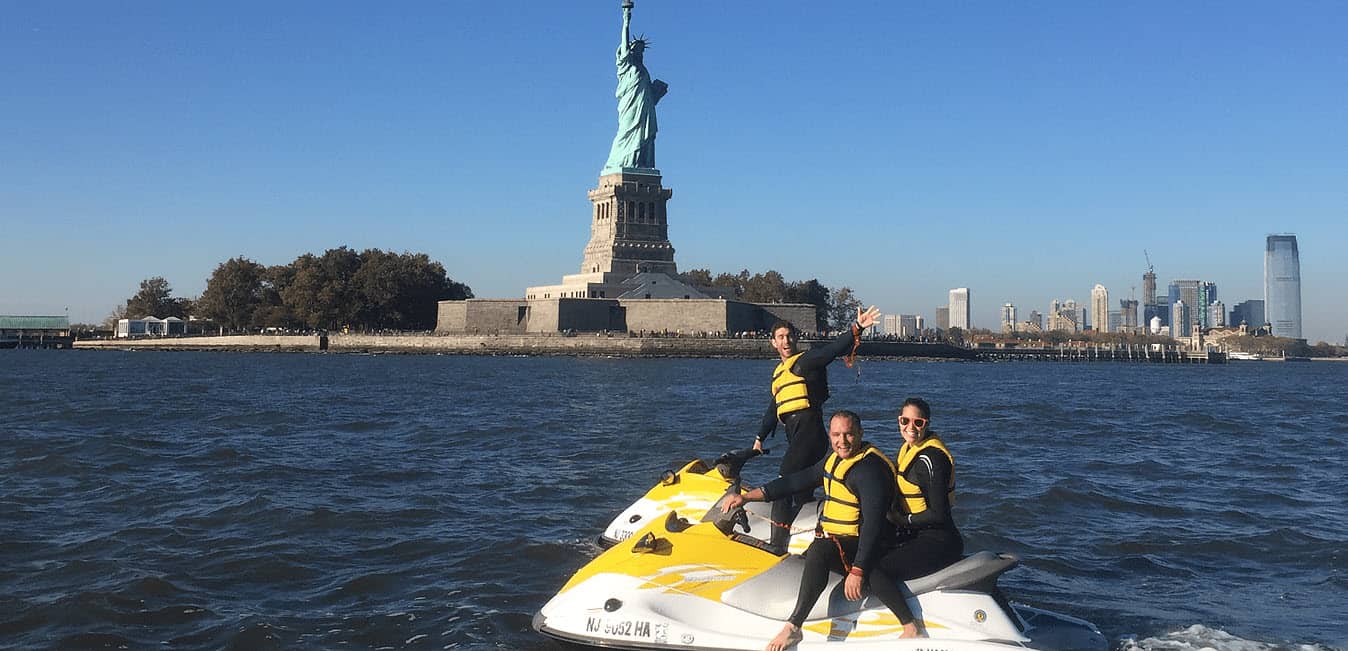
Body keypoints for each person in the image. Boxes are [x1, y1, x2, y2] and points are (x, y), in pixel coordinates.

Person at [724, 411, 919, 650]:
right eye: (836, 434)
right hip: (846, 539)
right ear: (829, 435)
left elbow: (874, 525)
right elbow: (795, 481)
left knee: (819, 551)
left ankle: (794, 627)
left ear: (860, 434)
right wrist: (745, 497)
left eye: (848, 434)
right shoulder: (834, 459)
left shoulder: (869, 471)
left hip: (873, 544)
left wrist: (858, 570)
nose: (842, 441)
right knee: (804, 558)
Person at [752, 306, 881, 550]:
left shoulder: (805, 361)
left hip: (809, 430)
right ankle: (810, 537)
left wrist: (857, 327)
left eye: (789, 335)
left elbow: (832, 350)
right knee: (804, 488)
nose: (786, 340)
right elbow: (773, 408)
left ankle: (776, 546)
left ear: (795, 339)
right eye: (780, 336)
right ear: (773, 343)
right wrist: (759, 437)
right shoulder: (779, 374)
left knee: (785, 480)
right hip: (799, 435)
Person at [868, 397, 964, 636]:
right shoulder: (909, 449)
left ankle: (910, 627)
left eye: (918, 422)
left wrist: (902, 521)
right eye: (905, 420)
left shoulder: (931, 459)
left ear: (927, 424)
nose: (910, 427)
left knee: (875, 572)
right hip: (917, 535)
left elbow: (939, 514)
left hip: (939, 540)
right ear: (898, 421)